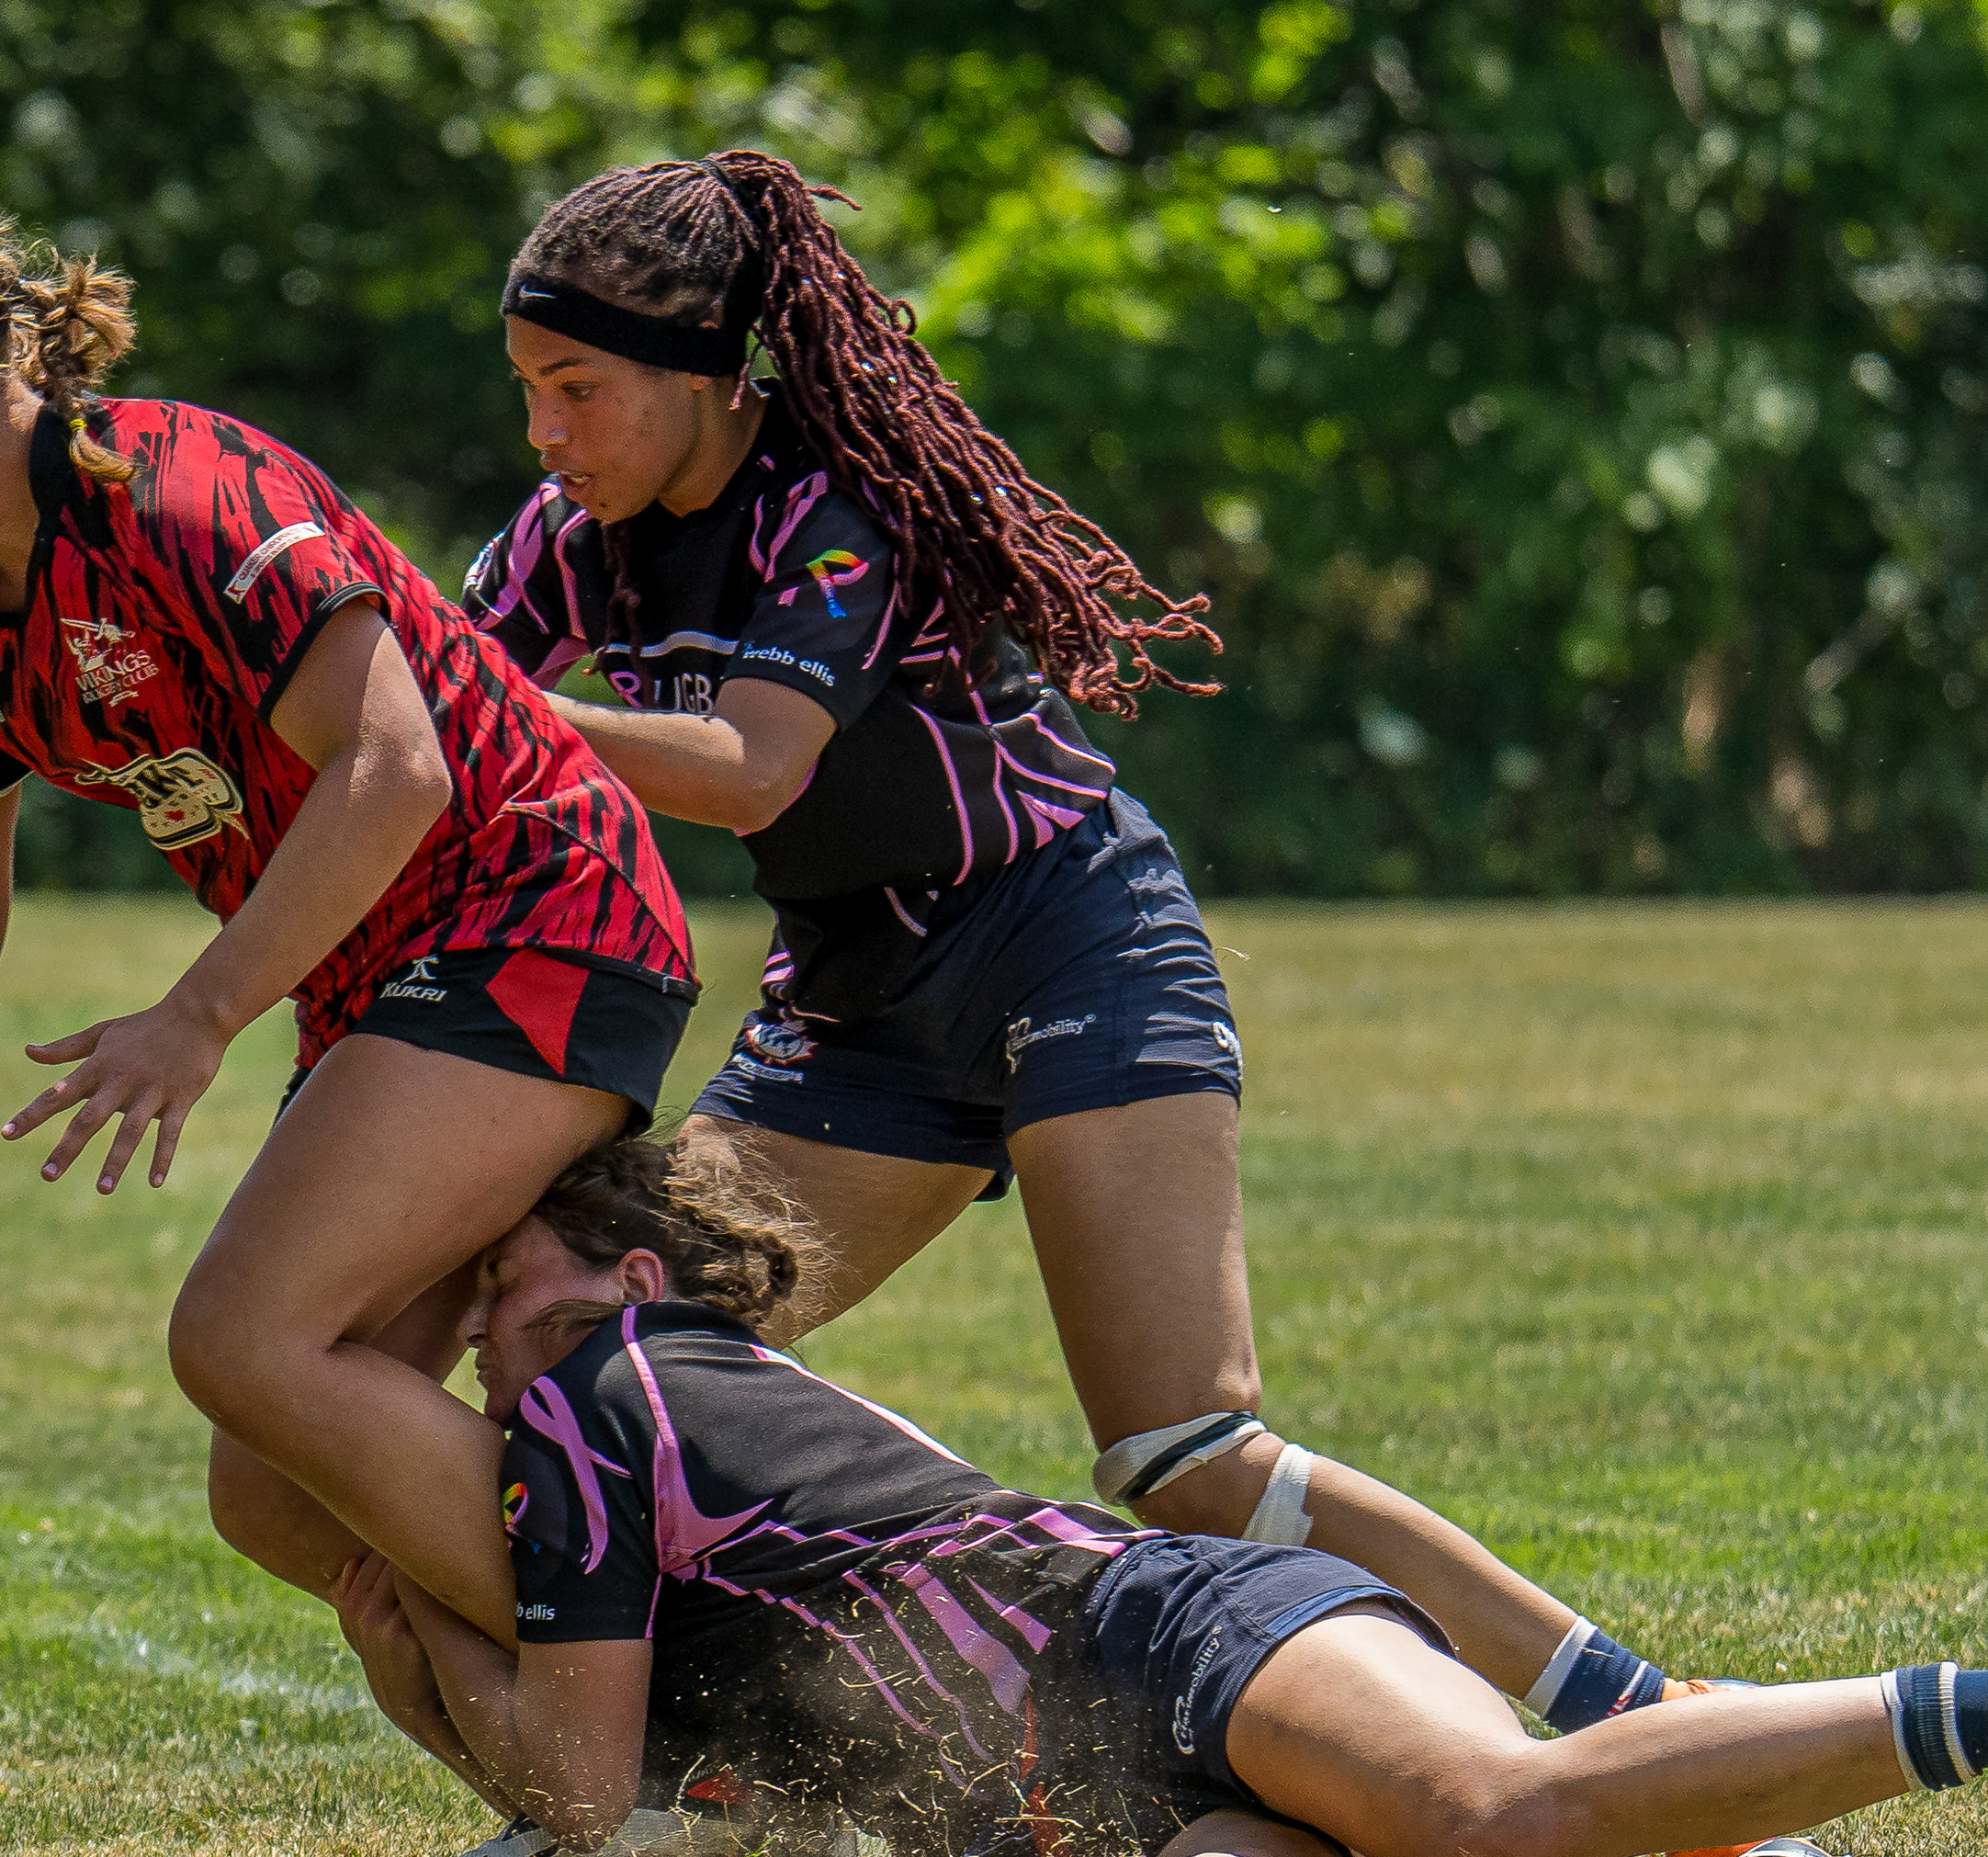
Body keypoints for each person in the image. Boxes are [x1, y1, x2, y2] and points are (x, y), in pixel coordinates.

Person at [457, 153, 1698, 1763]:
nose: (545, 434)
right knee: (612, 1358)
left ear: (705, 376)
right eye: (527, 391)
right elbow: (427, 712)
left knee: (1184, 1451)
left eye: (578, 388)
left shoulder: (834, 511)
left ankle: (1637, 1718)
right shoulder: (577, 533)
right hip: (859, 997)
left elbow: (748, 766)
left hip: (1070, 942)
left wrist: (480, 705)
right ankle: (746, 1811)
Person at [0, 186, 698, 1775]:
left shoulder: (182, 488)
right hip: (388, 977)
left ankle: (690, 1713)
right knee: (275, 1490)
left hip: (540, 910)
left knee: (240, 1335)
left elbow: (398, 770)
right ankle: (686, 1788)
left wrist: (199, 1016)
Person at [371, 1138, 1988, 1857]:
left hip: (1164, 1635)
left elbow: (577, 1776)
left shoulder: (610, 1386)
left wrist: (411, 1605)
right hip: (1097, 1805)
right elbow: (730, 1782)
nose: (474, 1313)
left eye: (501, 1265)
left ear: (626, 1275)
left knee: (1489, 1815)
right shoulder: (612, 1444)